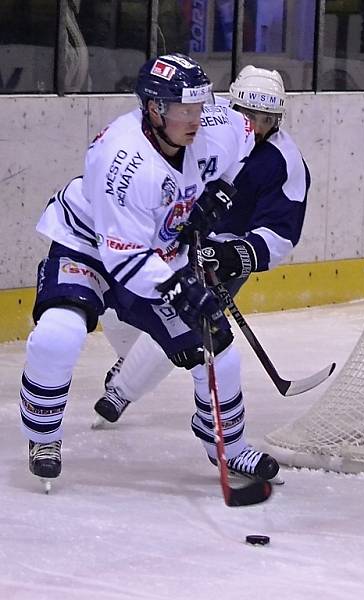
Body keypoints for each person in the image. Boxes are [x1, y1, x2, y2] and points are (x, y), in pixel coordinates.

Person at [20, 53, 279, 490]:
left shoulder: (217, 128)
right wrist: (180, 290)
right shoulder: (121, 160)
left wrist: (217, 192)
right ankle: (43, 437)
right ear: (154, 109)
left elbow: (245, 139)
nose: (197, 118)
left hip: (156, 248)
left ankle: (227, 447)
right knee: (58, 333)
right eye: (185, 110)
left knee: (217, 350)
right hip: (89, 246)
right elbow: (124, 257)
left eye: (200, 106)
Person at [93, 65, 308, 427]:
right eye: (248, 115)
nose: (255, 127)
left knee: (185, 322)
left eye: (266, 120)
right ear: (230, 107)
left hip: (218, 254)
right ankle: (134, 357)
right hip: (169, 237)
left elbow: (280, 232)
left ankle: (121, 391)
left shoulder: (283, 162)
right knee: (116, 305)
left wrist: (230, 255)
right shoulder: (200, 128)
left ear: (279, 120)